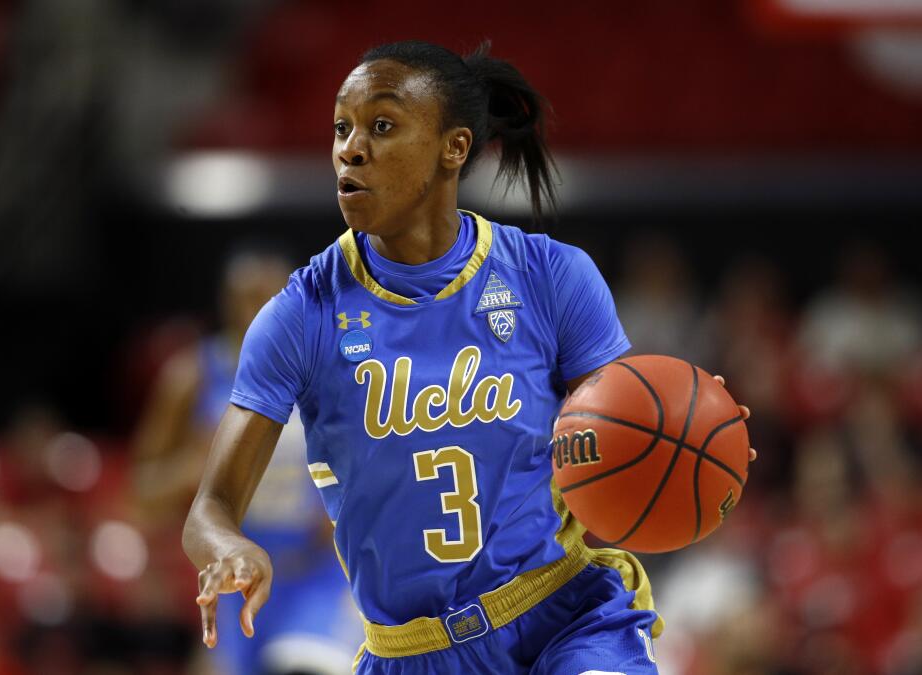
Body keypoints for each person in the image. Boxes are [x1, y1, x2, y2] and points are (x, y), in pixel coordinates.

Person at [183, 40, 755, 674]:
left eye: (381, 125)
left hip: (562, 619)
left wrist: (695, 433)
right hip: (411, 653)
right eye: (341, 128)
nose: (351, 148)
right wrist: (231, 546)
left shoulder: (550, 275)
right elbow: (210, 508)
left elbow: (632, 428)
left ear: (453, 147)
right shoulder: (302, 313)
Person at [135, 252, 361, 674]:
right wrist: (189, 467)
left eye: (272, 297)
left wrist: (343, 509)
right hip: (231, 581)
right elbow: (141, 495)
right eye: (248, 298)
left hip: (311, 575)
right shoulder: (192, 377)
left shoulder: (329, 370)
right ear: (226, 303)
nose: (261, 310)